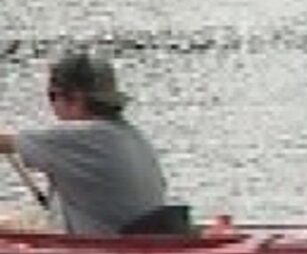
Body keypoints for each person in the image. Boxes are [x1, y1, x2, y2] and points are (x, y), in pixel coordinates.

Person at [0, 48, 181, 237]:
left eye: (52, 96)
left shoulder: (79, 137)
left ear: (76, 99)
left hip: (107, 251)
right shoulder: (132, 135)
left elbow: (4, 143)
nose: (52, 106)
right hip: (139, 237)